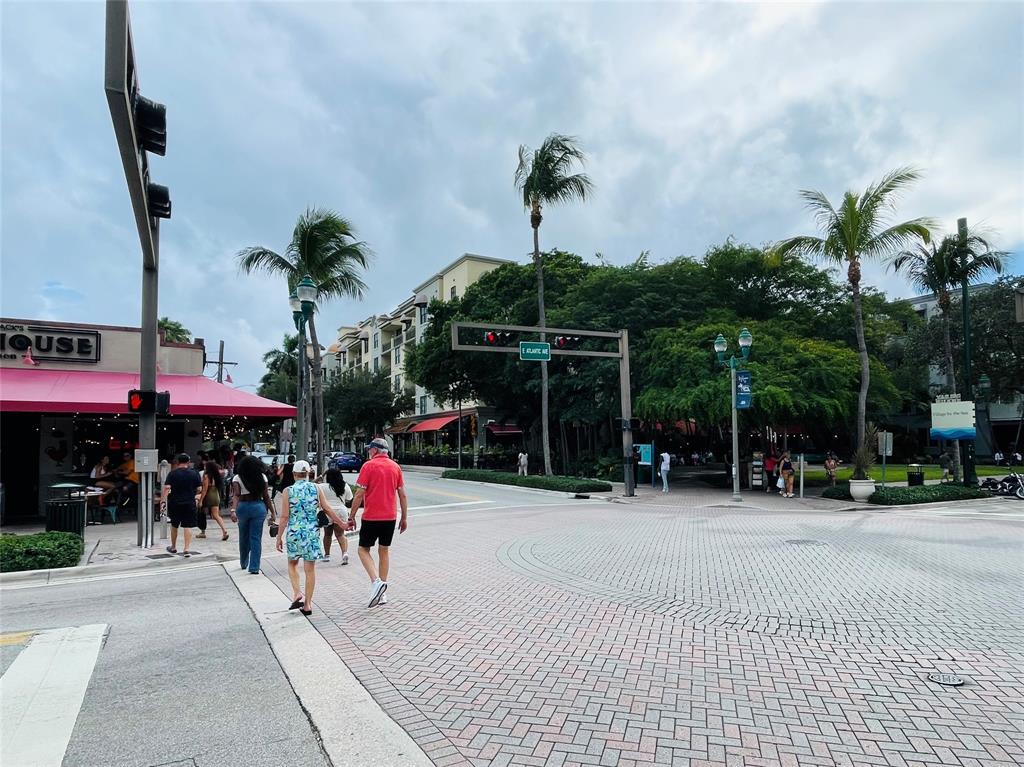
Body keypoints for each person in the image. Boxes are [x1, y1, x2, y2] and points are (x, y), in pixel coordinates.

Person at [277, 460, 344, 616]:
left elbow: (284, 516)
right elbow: (327, 508)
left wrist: (279, 537)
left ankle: (296, 593)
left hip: (294, 532)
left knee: (292, 563)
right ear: (308, 474)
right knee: (310, 569)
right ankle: (307, 605)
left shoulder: (288, 491)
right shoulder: (316, 488)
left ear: (294, 474)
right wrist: (341, 523)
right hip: (312, 533)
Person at [347, 437, 408, 608]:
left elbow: (359, 494)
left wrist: (352, 516)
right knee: (384, 551)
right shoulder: (395, 467)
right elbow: (402, 494)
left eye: (369, 449)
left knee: (363, 549)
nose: (368, 452)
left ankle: (376, 582)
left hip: (371, 517)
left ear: (375, 450)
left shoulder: (368, 466)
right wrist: (404, 517)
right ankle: (382, 593)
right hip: (390, 517)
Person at [230, 455, 275, 574]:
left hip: (242, 507)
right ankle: (254, 567)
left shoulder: (237, 478)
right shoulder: (262, 477)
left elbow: (236, 495)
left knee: (243, 536)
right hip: (258, 507)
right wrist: (272, 512)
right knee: (255, 538)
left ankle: (243, 562)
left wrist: (233, 510)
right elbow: (266, 496)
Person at [161, 453, 202, 557]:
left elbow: (167, 488)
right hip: (189, 502)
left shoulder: (172, 474)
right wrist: (196, 498)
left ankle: (173, 547)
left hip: (175, 502)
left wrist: (163, 501)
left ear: (178, 462)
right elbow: (199, 489)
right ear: (188, 462)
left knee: (174, 524)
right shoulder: (194, 473)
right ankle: (186, 549)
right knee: (187, 525)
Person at [318, 468, 352, 564]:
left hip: (327, 511)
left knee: (327, 534)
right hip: (341, 511)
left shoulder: (322, 486)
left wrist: (320, 476)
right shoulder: (344, 485)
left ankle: (327, 555)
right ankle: (344, 553)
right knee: (340, 534)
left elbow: (311, 485)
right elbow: (349, 499)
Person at [199, 460, 229, 541]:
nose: (204, 467)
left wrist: (201, 500)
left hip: (209, 495)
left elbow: (205, 490)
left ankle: (202, 531)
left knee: (203, 512)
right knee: (216, 515)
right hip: (216, 495)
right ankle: (224, 530)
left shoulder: (206, 476)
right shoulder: (216, 476)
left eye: (205, 466)